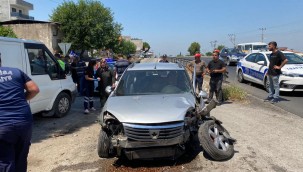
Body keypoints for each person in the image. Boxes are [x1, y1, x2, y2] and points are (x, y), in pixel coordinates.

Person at [0, 53, 40, 172]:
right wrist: (22, 99)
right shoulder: (16, 71)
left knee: (5, 160)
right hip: (23, 121)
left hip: (2, 125)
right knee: (21, 157)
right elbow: (34, 89)